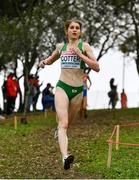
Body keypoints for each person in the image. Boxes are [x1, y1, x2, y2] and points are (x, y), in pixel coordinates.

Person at [39, 19, 100, 170]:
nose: (74, 30)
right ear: (66, 31)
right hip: (62, 87)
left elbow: (97, 67)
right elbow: (51, 59)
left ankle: (57, 130)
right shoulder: (61, 47)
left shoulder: (84, 46)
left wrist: (81, 55)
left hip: (78, 90)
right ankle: (65, 156)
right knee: (64, 124)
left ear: (80, 31)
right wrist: (44, 62)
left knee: (67, 124)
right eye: (71, 27)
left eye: (77, 28)